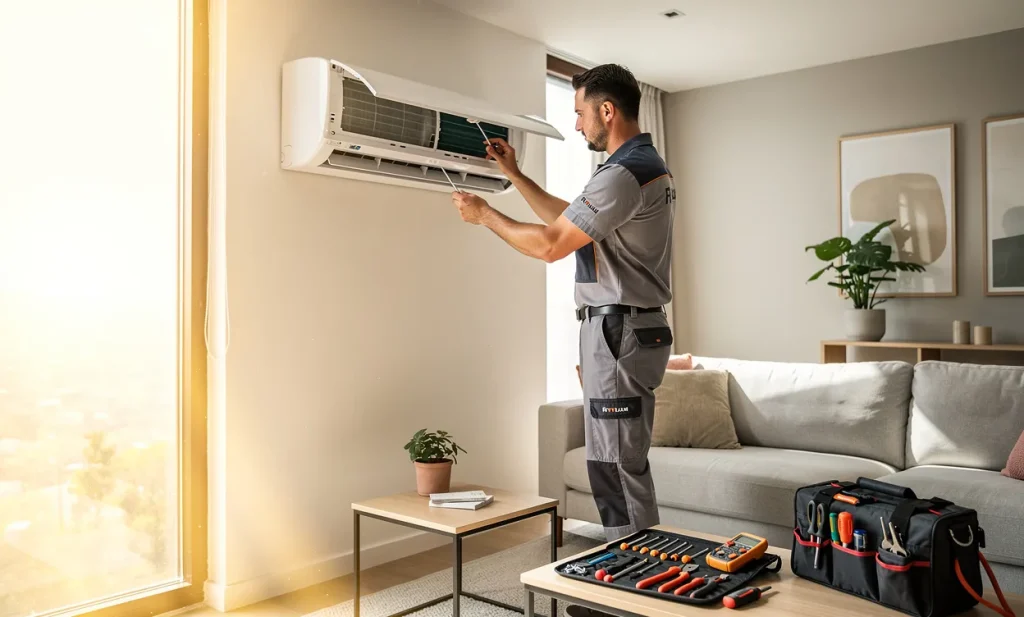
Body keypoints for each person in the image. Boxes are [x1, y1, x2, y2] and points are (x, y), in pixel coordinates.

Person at [451, 64, 675, 544]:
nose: (576, 125)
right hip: (628, 329)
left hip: (618, 332)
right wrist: (514, 174)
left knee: (615, 465)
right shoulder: (640, 166)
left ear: (607, 111)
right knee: (617, 461)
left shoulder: (623, 174)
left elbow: (552, 245)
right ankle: (635, 574)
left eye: (580, 113)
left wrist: (486, 215)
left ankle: (635, 587)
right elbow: (568, 221)